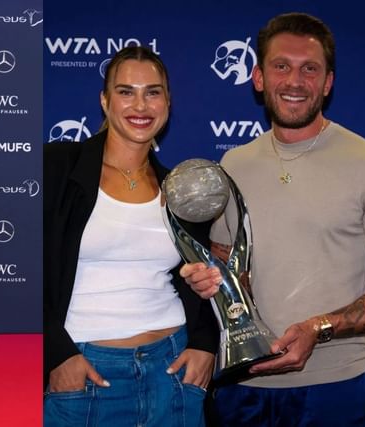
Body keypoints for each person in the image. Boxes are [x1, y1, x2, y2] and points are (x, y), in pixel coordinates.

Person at [180, 12, 365, 427]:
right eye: (281, 66)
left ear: (328, 82)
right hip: (244, 386)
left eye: (309, 69)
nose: (294, 81)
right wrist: (208, 279)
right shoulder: (235, 163)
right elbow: (227, 265)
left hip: (336, 384)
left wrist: (319, 328)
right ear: (259, 77)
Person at [43, 46, 218, 427]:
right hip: (85, 370)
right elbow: (24, 272)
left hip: (173, 368)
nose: (141, 105)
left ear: (167, 102)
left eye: (153, 92)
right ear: (105, 101)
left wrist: (205, 344)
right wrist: (56, 354)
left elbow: (202, 279)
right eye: (126, 92)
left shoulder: (179, 187)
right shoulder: (56, 167)